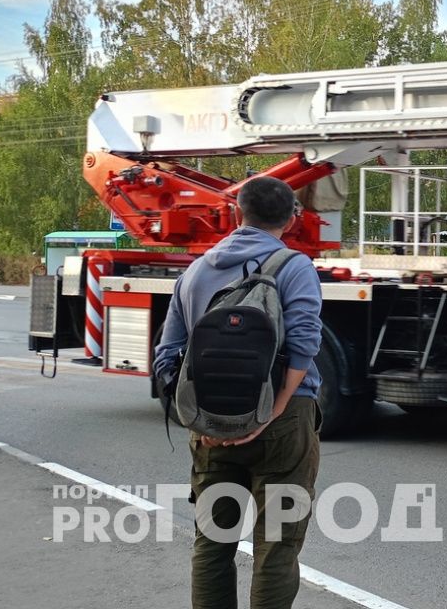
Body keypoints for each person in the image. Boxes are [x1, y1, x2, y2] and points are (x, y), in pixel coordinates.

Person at [153, 176, 323, 609]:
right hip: (284, 425)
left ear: (235, 214)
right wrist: (272, 410)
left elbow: (167, 355)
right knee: (277, 548)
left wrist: (197, 420)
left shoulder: (196, 270)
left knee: (213, 543)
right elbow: (304, 342)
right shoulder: (294, 266)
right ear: (291, 219)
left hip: (210, 428)